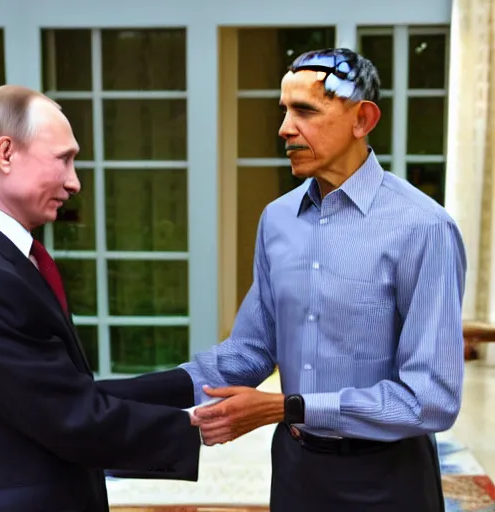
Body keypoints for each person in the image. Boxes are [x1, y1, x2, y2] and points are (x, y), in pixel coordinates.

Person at [181, 48, 466, 512]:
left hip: (388, 480)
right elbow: (251, 350)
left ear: (362, 119)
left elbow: (431, 399)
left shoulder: (424, 228)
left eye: (305, 111)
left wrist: (284, 407)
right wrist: (130, 395)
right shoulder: (277, 220)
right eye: (284, 110)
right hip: (296, 471)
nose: (285, 128)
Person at [0, 85, 201, 512]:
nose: (74, 182)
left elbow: (60, 388)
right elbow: (69, 415)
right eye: (63, 158)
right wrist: (199, 425)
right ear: (5, 153)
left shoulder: (8, 258)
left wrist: (191, 384)